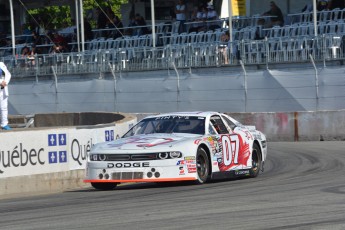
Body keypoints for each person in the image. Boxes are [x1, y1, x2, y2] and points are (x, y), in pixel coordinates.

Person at [0, 62, 12, 130]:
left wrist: (5, 82)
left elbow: (8, 74)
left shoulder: (1, 64)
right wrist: (0, 82)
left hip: (3, 89)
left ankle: (4, 124)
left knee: (4, 107)